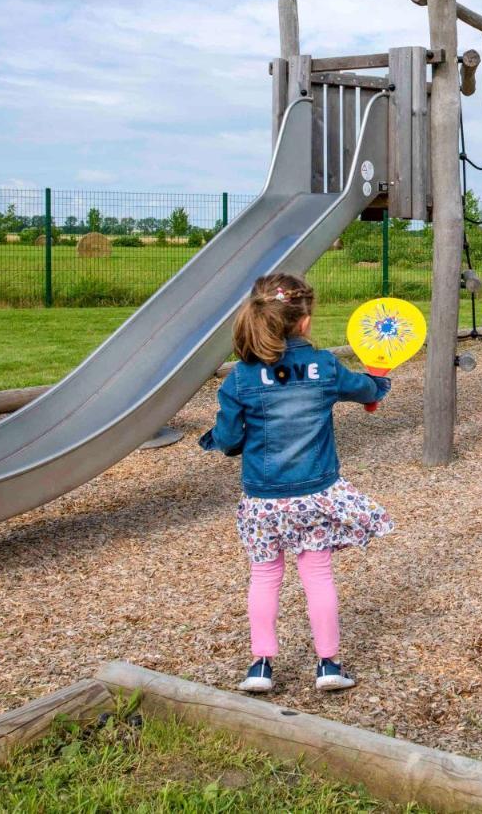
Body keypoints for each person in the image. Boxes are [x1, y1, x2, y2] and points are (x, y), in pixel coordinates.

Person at [200, 273, 393, 692]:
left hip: (263, 500)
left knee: (265, 577)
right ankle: (328, 665)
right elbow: (364, 390)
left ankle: (260, 666)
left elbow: (230, 439)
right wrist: (379, 384)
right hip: (314, 494)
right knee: (317, 574)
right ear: (304, 320)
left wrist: (219, 441)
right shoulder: (324, 367)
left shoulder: (240, 378)